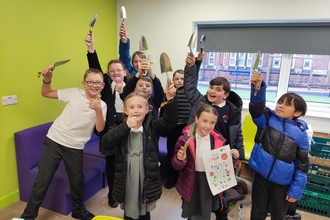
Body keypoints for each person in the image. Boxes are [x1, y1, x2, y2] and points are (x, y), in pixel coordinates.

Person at [21, 67, 107, 220]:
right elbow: (46, 93)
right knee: (42, 180)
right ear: (84, 84)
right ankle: (27, 216)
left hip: (75, 147)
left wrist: (98, 110)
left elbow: (100, 129)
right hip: (55, 140)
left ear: (103, 86)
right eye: (91, 82)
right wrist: (47, 79)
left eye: (98, 83)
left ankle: (78, 210)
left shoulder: (103, 105)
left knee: (77, 180)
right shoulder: (74, 93)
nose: (94, 85)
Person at [101, 83, 178, 220]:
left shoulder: (153, 125)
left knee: (144, 206)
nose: (136, 110)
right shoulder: (119, 126)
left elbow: (170, 122)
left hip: (145, 176)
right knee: (129, 206)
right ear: (125, 110)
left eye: (140, 107)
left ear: (148, 109)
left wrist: (171, 101)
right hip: (127, 176)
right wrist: (125, 126)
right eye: (132, 107)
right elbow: (106, 142)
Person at [184, 52, 244, 220]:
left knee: (219, 194)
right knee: (197, 191)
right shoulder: (200, 103)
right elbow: (189, 87)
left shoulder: (232, 110)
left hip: (221, 157)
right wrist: (190, 67)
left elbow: (237, 133)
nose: (212, 91)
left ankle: (220, 213)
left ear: (225, 95)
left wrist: (238, 151)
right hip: (200, 155)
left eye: (218, 90)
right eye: (211, 87)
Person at [248, 71, 310, 220]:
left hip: (282, 183)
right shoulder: (267, 120)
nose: (280, 106)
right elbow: (256, 108)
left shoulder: (301, 134)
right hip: (261, 177)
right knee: (257, 213)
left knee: (278, 216)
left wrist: (296, 190)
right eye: (279, 102)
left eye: (287, 105)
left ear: (297, 112)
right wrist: (257, 88)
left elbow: (302, 165)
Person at [85, 32, 130, 208]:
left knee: (127, 162)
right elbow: (94, 66)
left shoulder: (132, 85)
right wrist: (91, 49)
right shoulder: (104, 86)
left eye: (119, 70)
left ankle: (127, 191)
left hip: (127, 127)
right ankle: (113, 194)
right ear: (108, 74)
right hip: (109, 129)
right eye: (112, 71)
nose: (115, 73)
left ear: (124, 71)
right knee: (111, 164)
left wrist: (122, 91)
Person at [171, 104, 240, 220]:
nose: (208, 126)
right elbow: (175, 165)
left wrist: (234, 157)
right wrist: (179, 159)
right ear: (196, 119)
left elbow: (225, 163)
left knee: (205, 212)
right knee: (193, 213)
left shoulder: (218, 141)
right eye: (205, 121)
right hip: (192, 181)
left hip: (209, 182)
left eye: (212, 123)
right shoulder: (184, 139)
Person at [164, 52, 205, 189]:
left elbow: (193, 77)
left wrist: (197, 62)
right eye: (177, 79)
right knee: (172, 152)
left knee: (186, 153)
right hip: (173, 127)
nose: (180, 81)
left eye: (182, 78)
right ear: (173, 81)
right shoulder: (170, 93)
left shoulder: (191, 93)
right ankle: (171, 177)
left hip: (187, 128)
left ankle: (183, 178)